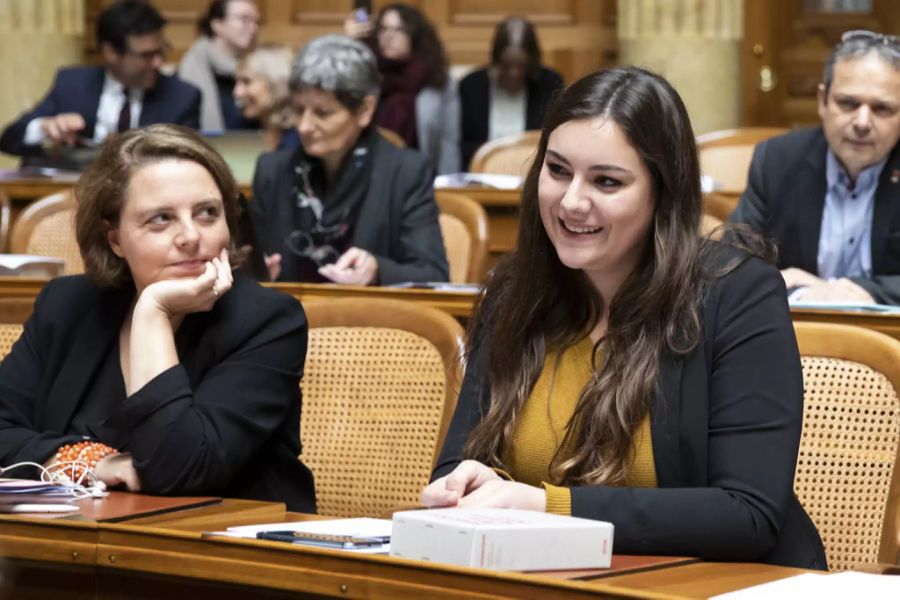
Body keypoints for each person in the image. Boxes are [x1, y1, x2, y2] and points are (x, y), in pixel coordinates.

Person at [421, 67, 827, 569]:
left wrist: (549, 507)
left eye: (607, 181)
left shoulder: (736, 295)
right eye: (557, 170)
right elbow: (458, 465)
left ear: (662, 193)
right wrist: (463, 485)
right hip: (554, 579)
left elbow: (747, 513)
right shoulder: (514, 291)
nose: (571, 201)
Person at [0, 124, 315, 512]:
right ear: (114, 239)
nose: (190, 236)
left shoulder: (267, 323)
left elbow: (177, 470)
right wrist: (90, 461)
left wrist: (153, 312)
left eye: (207, 213)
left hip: (218, 555)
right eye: (161, 219)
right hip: (74, 549)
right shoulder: (67, 305)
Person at [249, 34, 448, 285]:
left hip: (370, 320)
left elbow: (433, 274)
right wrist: (256, 272)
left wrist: (376, 271)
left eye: (322, 113)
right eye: (299, 110)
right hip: (287, 318)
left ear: (365, 110)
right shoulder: (272, 170)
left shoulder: (406, 172)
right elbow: (246, 261)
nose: (304, 126)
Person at [730, 31, 900, 305]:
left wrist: (850, 290)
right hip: (795, 331)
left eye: (882, 109)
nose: (862, 122)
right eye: (848, 103)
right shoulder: (777, 160)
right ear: (822, 101)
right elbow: (731, 262)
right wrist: (794, 288)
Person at [0, 1, 201, 166]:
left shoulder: (181, 97)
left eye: (161, 50)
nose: (159, 63)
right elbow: (9, 139)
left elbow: (187, 162)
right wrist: (45, 128)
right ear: (110, 53)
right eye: (146, 55)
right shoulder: (73, 84)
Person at [345, 3, 460, 174]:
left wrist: (446, 189)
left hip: (420, 175)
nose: (389, 36)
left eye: (399, 30)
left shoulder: (436, 79)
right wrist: (349, 43)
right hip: (365, 174)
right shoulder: (365, 73)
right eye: (383, 29)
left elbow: (449, 141)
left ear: (415, 36)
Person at [458, 16, 564, 169]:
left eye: (521, 66)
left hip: (534, 175)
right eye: (507, 65)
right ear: (496, 59)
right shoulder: (472, 86)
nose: (514, 72)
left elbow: (555, 141)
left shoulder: (549, 84)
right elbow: (464, 146)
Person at [179, 0, 262, 132]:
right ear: (217, 24)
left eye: (257, 22)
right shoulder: (195, 64)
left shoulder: (261, 68)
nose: (254, 28)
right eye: (244, 19)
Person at [234, 43, 299, 151]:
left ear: (276, 84)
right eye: (236, 83)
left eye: (247, 82)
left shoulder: (303, 136)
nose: (237, 92)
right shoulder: (238, 130)